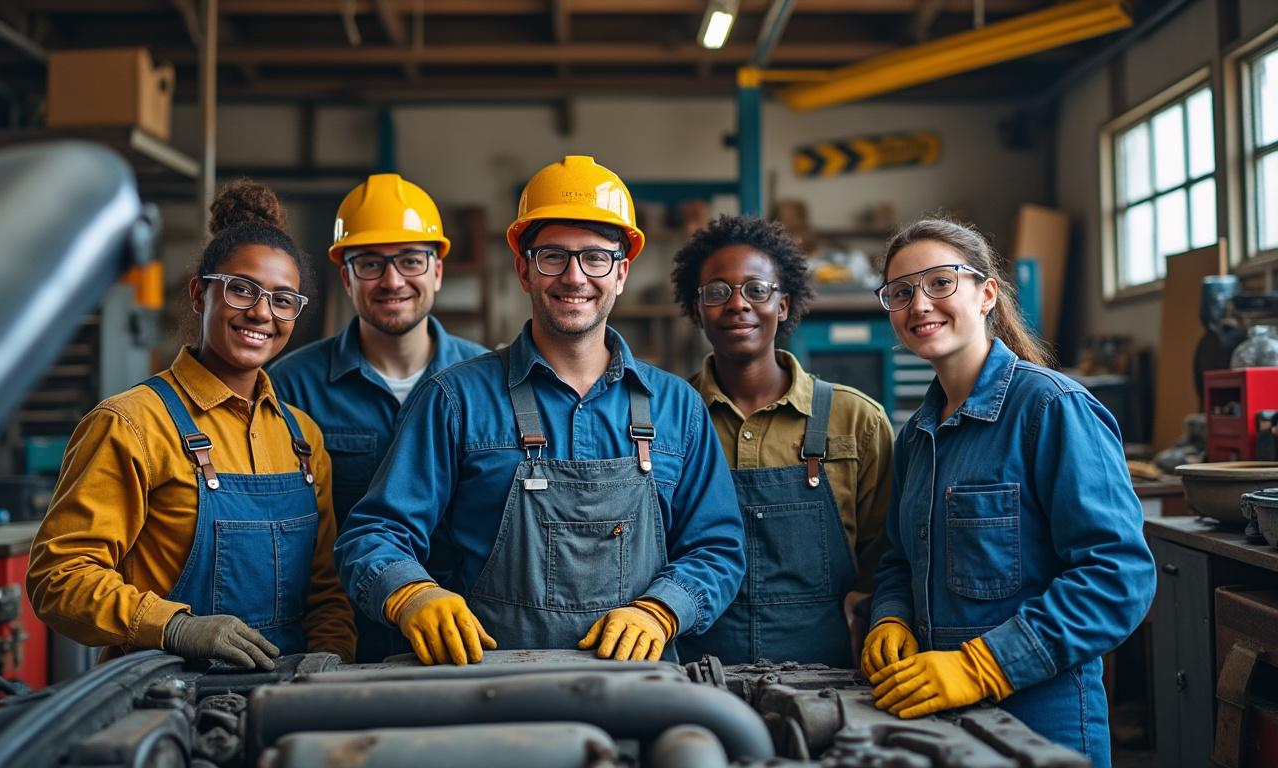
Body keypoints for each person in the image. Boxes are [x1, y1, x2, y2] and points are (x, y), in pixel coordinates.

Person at [335, 155, 745, 666]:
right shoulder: (455, 399)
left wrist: (663, 610)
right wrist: (412, 594)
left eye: (595, 258)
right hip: (487, 694)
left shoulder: (677, 407)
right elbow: (375, 533)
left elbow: (718, 547)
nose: (574, 277)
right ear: (523, 268)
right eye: (553, 256)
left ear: (622, 272)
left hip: (641, 693)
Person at [861, 217, 1154, 766]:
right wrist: (892, 614)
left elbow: (1117, 578)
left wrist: (983, 665)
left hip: (1040, 718)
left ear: (987, 293)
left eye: (940, 282)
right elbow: (901, 558)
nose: (919, 304)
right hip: (934, 716)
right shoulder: (916, 436)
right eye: (900, 293)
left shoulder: (1051, 409)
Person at [28, 180, 356, 669]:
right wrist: (173, 626)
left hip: (290, 699)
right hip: (164, 700)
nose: (262, 313)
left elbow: (326, 592)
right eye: (242, 290)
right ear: (201, 294)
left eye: (284, 299)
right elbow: (60, 577)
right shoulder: (132, 423)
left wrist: (332, 659)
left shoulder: (302, 438)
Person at [269, 174, 486, 661]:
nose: (392, 281)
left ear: (437, 271)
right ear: (345, 276)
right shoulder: (291, 387)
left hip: (465, 642)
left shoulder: (487, 384)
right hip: (337, 643)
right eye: (370, 264)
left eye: (411, 260)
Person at [670, 215, 892, 667]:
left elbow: (889, 559)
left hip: (827, 678)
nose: (738, 305)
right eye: (717, 292)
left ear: (784, 305)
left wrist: (878, 623)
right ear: (696, 311)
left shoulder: (856, 421)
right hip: (693, 680)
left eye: (757, 290)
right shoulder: (665, 417)